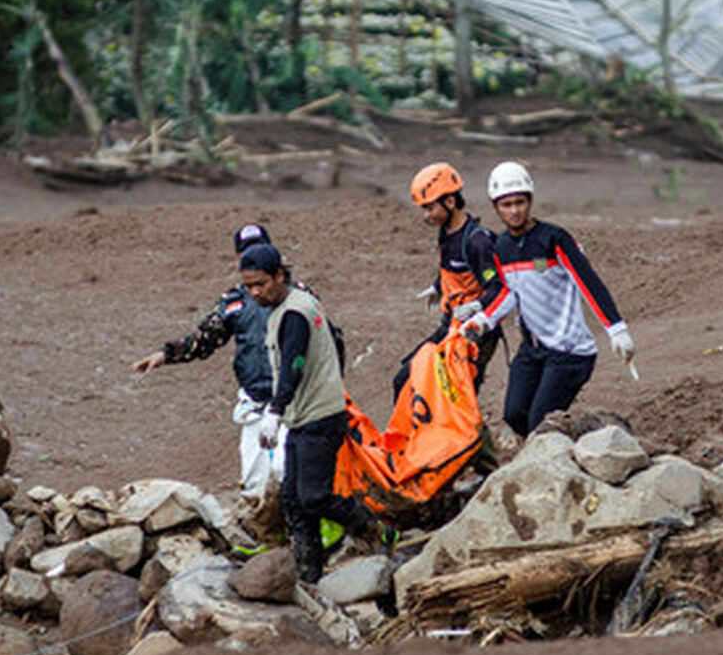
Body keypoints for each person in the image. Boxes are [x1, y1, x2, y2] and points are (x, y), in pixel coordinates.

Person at [239, 244, 395, 582]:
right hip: (303, 416)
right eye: (248, 286)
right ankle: (308, 575)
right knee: (294, 500)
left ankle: (377, 529)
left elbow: (293, 363)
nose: (254, 293)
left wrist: (274, 410)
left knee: (314, 496)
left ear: (279, 276)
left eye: (260, 284)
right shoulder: (289, 306)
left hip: (319, 416)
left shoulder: (294, 313)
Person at [460, 161, 635, 436]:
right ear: (496, 207)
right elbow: (507, 292)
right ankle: (573, 435)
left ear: (530, 201)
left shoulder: (554, 238)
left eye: (520, 202)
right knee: (515, 415)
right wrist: (483, 319)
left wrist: (616, 329)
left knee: (539, 427)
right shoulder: (502, 247)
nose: (515, 210)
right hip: (532, 349)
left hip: (569, 352)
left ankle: (586, 440)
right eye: (506, 205)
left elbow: (588, 282)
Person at [129, 223, 279, 502]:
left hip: (295, 400)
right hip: (256, 400)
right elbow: (204, 339)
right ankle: (267, 539)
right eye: (248, 254)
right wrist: (165, 355)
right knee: (255, 482)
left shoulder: (297, 297)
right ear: (238, 259)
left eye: (260, 252)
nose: (253, 259)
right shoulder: (234, 302)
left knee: (293, 474)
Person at [394, 162, 503, 401]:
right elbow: (454, 267)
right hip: (450, 325)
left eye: (430, 208)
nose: (426, 216)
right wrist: (437, 286)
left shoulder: (477, 242)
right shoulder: (447, 232)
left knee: (456, 399)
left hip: (474, 333)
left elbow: (498, 289)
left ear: (450, 202)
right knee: (404, 380)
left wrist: (477, 307)